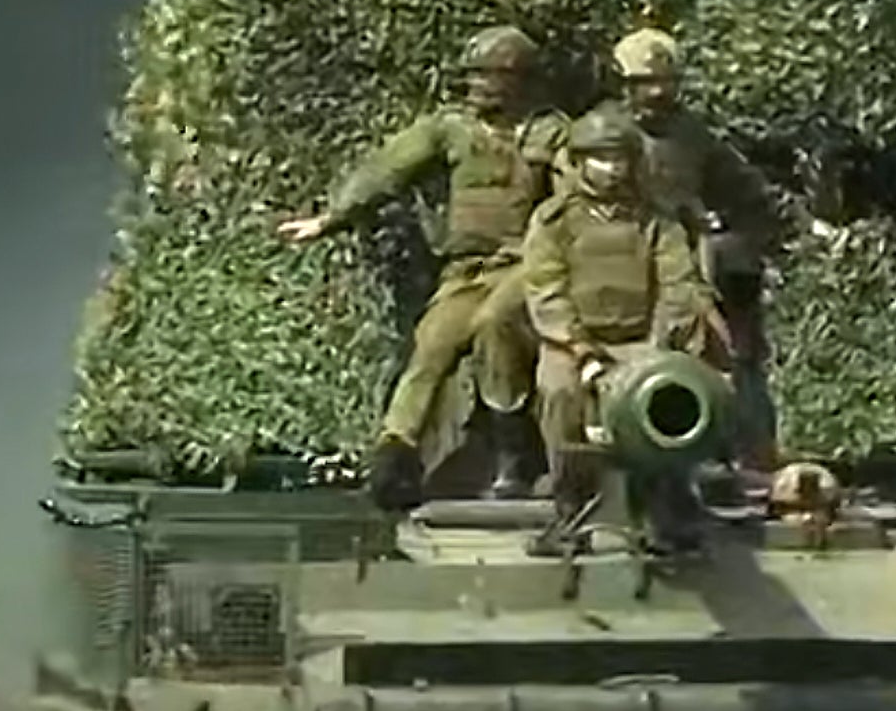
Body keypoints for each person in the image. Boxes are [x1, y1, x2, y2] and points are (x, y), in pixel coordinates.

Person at [277, 25, 567, 506]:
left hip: (523, 264)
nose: (476, 87)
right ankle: (394, 458)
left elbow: (581, 189)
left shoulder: (552, 132)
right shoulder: (451, 128)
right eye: (472, 77)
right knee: (430, 349)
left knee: (495, 325)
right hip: (465, 269)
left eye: (488, 76)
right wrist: (330, 219)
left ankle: (512, 455)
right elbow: (385, 171)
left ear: (517, 79)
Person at [590, 27, 784, 475]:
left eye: (667, 83)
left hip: (682, 256)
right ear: (623, 85)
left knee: (728, 342)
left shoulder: (692, 134)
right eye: (645, 84)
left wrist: (738, 239)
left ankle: (741, 449)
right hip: (612, 254)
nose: (658, 93)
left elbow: (747, 191)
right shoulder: (600, 131)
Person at [519, 106, 715, 506]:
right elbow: (547, 291)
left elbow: (676, 285)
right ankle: (569, 493)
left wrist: (659, 347)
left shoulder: (655, 219)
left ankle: (666, 492)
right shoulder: (554, 220)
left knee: (669, 390)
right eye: (600, 158)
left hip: (640, 340)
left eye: (618, 159)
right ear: (578, 163)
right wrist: (584, 353)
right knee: (559, 393)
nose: (611, 169)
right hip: (572, 344)